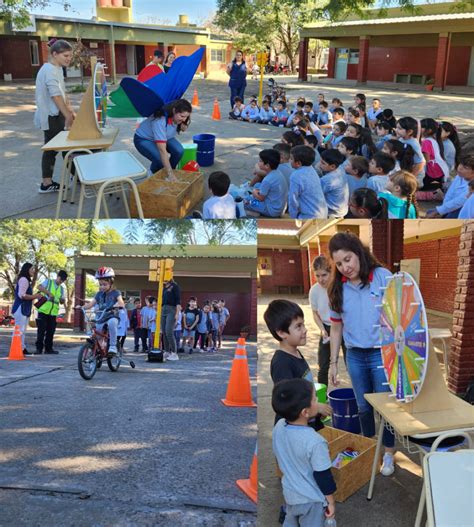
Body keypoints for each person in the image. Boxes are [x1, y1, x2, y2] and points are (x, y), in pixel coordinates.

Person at [328, 232, 396, 476]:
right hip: (355, 355)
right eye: (339, 263)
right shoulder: (336, 288)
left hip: (381, 354)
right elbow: (336, 327)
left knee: (386, 407)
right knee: (363, 407)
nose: (345, 267)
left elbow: (399, 315)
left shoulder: (382, 277)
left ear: (358, 252)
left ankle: (388, 452)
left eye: (348, 259)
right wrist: (333, 364)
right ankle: (369, 446)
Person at [272, 378, 337, 527]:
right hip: (311, 500)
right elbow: (323, 476)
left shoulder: (279, 426)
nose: (318, 401)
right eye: (315, 399)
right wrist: (331, 502)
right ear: (305, 412)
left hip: (290, 493)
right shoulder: (315, 442)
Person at [264, 299, 331, 433]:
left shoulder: (295, 352)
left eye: (303, 324)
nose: (305, 330)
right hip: (295, 432)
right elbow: (289, 402)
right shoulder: (281, 363)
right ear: (281, 333)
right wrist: (316, 408)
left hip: (308, 422)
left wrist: (316, 411)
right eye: (298, 326)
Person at [35, 39, 75, 193]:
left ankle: (76, 175)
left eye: (70, 56)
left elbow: (63, 94)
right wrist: (68, 116)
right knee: (52, 149)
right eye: (66, 55)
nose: (68, 59)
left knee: (66, 146)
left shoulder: (57, 69)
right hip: (51, 116)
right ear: (54, 54)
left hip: (58, 114)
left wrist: (71, 111)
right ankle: (46, 183)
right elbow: (56, 96)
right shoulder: (49, 70)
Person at [309, 256, 346, 387]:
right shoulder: (314, 290)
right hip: (326, 328)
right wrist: (322, 329)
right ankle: (322, 399)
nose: (321, 279)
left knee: (351, 364)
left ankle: (357, 397)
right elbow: (315, 313)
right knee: (322, 367)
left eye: (324, 275)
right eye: (317, 275)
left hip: (344, 327)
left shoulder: (341, 286)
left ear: (331, 272)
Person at [134, 99, 192, 179]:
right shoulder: (160, 121)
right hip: (144, 139)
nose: (184, 119)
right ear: (174, 111)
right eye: (182, 116)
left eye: (186, 116)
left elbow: (183, 128)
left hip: (164, 136)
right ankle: (153, 173)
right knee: (160, 158)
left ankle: (169, 172)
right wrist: (170, 174)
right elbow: (162, 151)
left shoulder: (179, 119)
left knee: (179, 151)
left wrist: (183, 122)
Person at [82, 267, 125, 356]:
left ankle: (113, 346)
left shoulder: (116, 292)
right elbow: (91, 304)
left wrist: (118, 305)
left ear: (111, 283)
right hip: (101, 317)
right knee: (97, 334)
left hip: (112, 316)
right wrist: (81, 307)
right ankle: (96, 352)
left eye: (104, 284)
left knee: (112, 323)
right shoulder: (99, 294)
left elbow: (121, 302)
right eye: (100, 284)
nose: (102, 287)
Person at [245, 149, 288, 218]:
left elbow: (261, 198)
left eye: (260, 161)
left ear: (267, 166)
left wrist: (254, 192)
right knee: (257, 185)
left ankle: (255, 213)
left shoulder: (267, 180)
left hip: (271, 210)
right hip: (279, 206)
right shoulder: (277, 172)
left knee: (246, 201)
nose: (258, 163)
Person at [288, 145, 328, 219]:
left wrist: (293, 217)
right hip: (322, 213)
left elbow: (293, 199)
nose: (289, 160)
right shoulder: (311, 169)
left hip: (310, 216)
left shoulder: (296, 176)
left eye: (291, 159)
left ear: (298, 163)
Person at [12, 263, 42, 355]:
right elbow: (22, 295)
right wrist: (35, 296)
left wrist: (34, 296)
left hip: (24, 309)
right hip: (21, 308)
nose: (33, 271)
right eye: (32, 269)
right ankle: (16, 350)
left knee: (22, 330)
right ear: (27, 269)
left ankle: (22, 348)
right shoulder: (24, 280)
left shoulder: (25, 280)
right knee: (19, 330)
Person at [35, 270, 67, 355]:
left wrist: (62, 300)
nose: (61, 282)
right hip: (43, 311)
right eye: (60, 279)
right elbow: (39, 287)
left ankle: (48, 349)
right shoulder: (48, 282)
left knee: (51, 331)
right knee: (41, 331)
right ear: (58, 276)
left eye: (63, 281)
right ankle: (39, 349)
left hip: (53, 313)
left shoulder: (61, 289)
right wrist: (49, 293)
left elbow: (61, 302)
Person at [420, 118, 450, 191]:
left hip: (432, 169)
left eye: (421, 127)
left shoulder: (426, 142)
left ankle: (437, 189)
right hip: (440, 167)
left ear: (429, 130)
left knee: (421, 186)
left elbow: (426, 160)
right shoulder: (433, 139)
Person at [319, 149, 349, 218]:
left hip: (333, 213)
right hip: (342, 210)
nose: (320, 164)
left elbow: (317, 194)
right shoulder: (340, 168)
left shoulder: (328, 179)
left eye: (323, 163)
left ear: (332, 166)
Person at [161, 278, 181, 361]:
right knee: (164, 332)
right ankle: (166, 351)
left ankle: (174, 353)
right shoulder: (164, 287)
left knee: (169, 331)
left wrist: (177, 314)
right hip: (163, 309)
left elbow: (178, 301)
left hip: (171, 309)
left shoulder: (175, 286)